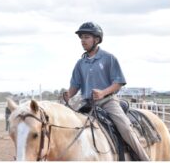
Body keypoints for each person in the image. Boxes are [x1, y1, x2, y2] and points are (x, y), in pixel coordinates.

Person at [63, 22, 149, 161]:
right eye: (81, 38)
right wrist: (68, 95)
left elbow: (118, 83)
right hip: (86, 103)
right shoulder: (80, 63)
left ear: (96, 40)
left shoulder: (109, 58)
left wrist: (102, 93)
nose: (82, 41)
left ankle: (144, 159)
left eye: (86, 37)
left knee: (126, 129)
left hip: (108, 102)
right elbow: (75, 85)